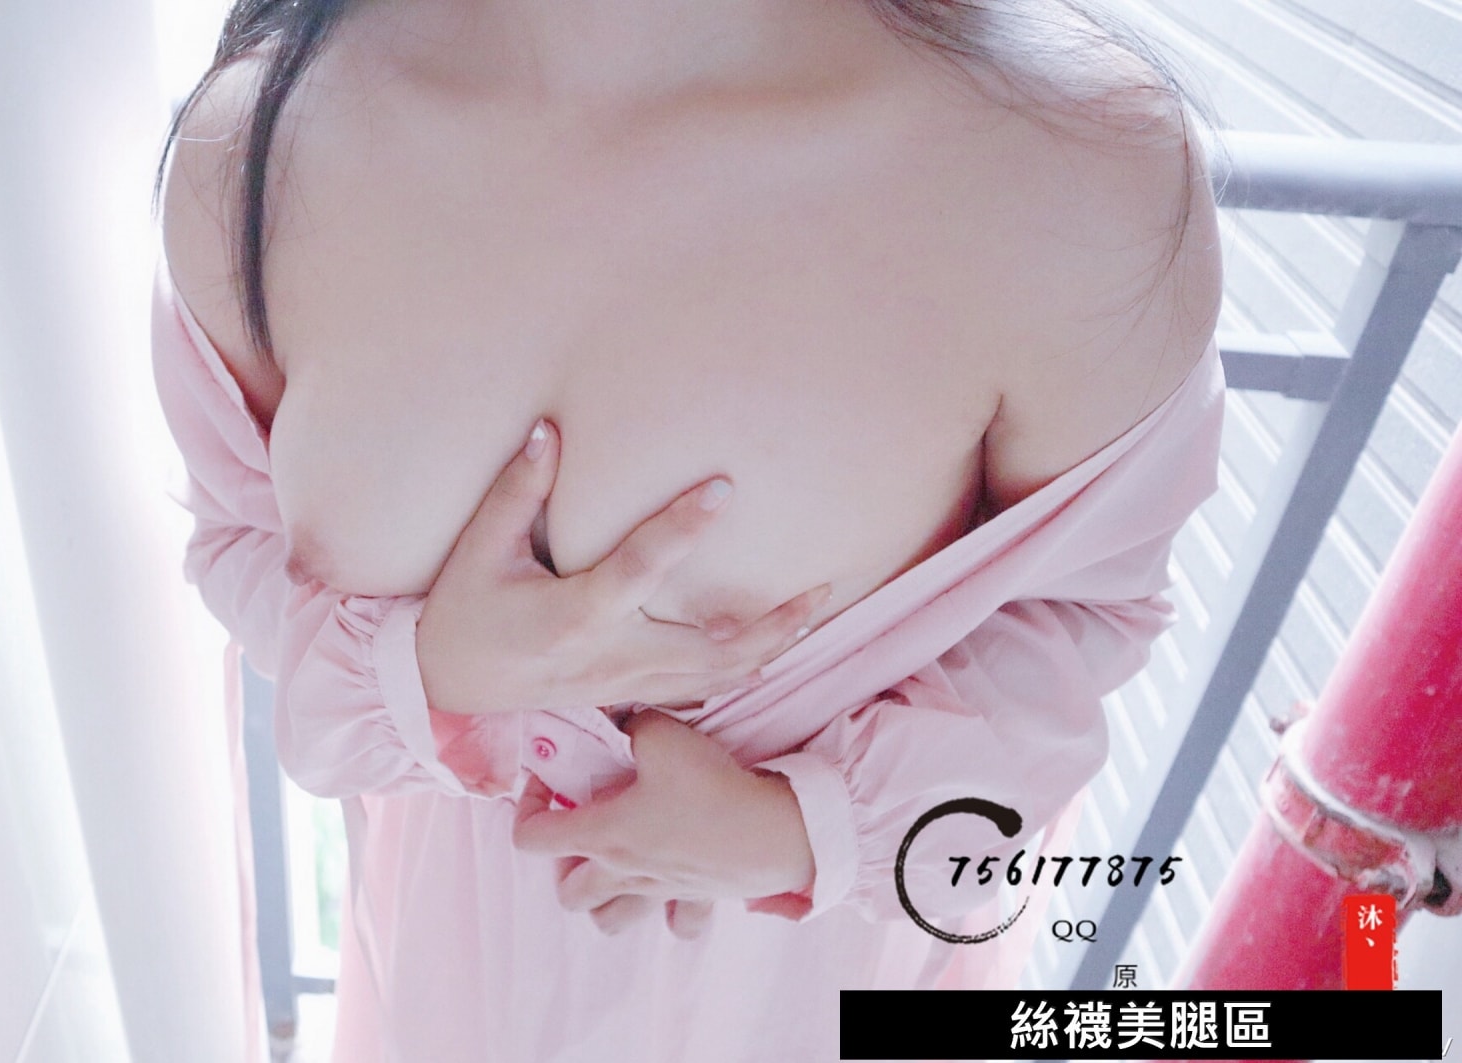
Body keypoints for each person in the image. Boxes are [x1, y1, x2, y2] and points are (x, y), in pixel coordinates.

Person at [149, 0, 1227, 1058]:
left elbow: (1083, 612)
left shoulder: (1076, 171)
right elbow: (239, 537)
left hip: (799, 981)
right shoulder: (254, 146)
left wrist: (801, 828)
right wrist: (424, 669)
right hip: (451, 956)